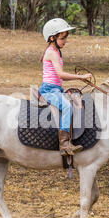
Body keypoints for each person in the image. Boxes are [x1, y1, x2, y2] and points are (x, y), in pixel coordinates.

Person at [39, 18, 92, 156]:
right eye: (62, 38)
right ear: (52, 37)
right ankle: (64, 143)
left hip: (56, 89)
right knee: (67, 106)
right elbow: (61, 75)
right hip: (49, 90)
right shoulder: (51, 52)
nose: (65, 41)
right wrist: (80, 78)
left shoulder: (56, 51)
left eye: (66, 37)